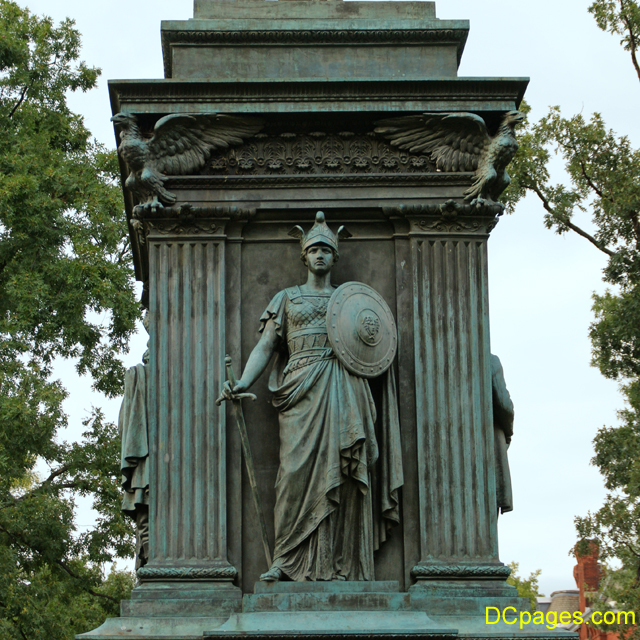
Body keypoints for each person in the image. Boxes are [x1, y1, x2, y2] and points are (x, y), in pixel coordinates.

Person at [221, 212, 403, 582]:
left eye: (326, 250)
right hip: (299, 394)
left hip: (343, 390)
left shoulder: (349, 300)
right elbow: (266, 346)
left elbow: (373, 345)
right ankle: (286, 559)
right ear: (304, 256)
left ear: (335, 256)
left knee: (343, 476)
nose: (320, 255)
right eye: (314, 250)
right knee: (292, 475)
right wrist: (242, 381)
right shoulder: (286, 299)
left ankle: (342, 563)